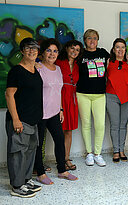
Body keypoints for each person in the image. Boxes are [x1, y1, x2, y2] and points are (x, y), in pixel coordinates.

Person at [34, 38, 77, 185]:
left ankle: (62, 170)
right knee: (39, 144)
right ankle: (40, 173)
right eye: (49, 50)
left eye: (55, 51)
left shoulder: (58, 69)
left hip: (54, 112)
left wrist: (60, 109)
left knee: (59, 140)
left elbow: (58, 91)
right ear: (43, 52)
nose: (52, 54)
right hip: (40, 113)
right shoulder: (37, 68)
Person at [5, 37, 43, 197]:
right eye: (28, 48)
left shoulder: (35, 70)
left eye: (34, 48)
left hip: (33, 120)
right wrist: (15, 119)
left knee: (29, 151)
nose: (32, 51)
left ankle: (26, 179)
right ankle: (17, 186)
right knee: (18, 153)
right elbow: (9, 95)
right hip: (20, 120)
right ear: (22, 51)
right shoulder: (16, 71)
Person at [77, 29, 110, 166]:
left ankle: (98, 154)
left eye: (95, 38)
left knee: (100, 125)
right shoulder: (81, 54)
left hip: (99, 94)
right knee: (86, 124)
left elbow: (117, 60)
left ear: (98, 40)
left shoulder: (103, 53)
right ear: (85, 40)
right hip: (82, 93)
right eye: (89, 38)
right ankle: (89, 154)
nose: (92, 40)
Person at [106, 38, 128, 163]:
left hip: (127, 97)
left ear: (125, 50)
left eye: (123, 47)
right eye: (117, 47)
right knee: (114, 125)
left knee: (123, 125)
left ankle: (122, 150)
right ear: (113, 49)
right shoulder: (108, 62)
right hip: (111, 96)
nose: (120, 50)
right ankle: (116, 151)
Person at [56, 40, 83, 170]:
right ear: (66, 48)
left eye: (77, 50)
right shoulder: (58, 62)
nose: (74, 52)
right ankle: (60, 160)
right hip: (60, 98)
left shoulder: (78, 65)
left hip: (72, 99)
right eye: (72, 48)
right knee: (59, 131)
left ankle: (66, 158)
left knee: (69, 131)